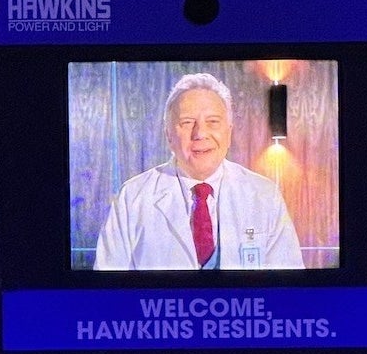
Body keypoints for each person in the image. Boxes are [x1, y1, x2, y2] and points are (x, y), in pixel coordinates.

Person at [94, 73, 304, 271]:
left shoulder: (264, 195)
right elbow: (107, 294)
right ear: (168, 134)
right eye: (187, 123)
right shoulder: (132, 198)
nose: (200, 133)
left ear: (229, 132)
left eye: (212, 122)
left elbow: (288, 290)